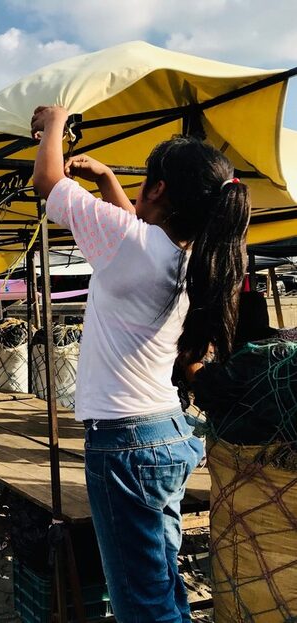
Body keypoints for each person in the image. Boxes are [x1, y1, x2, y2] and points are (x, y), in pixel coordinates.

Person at [31, 105, 250, 622]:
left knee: (141, 604)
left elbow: (47, 179)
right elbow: (132, 228)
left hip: (126, 445)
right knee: (158, 584)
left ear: (156, 190)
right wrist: (108, 177)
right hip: (164, 433)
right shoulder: (186, 260)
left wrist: (56, 122)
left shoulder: (131, 246)